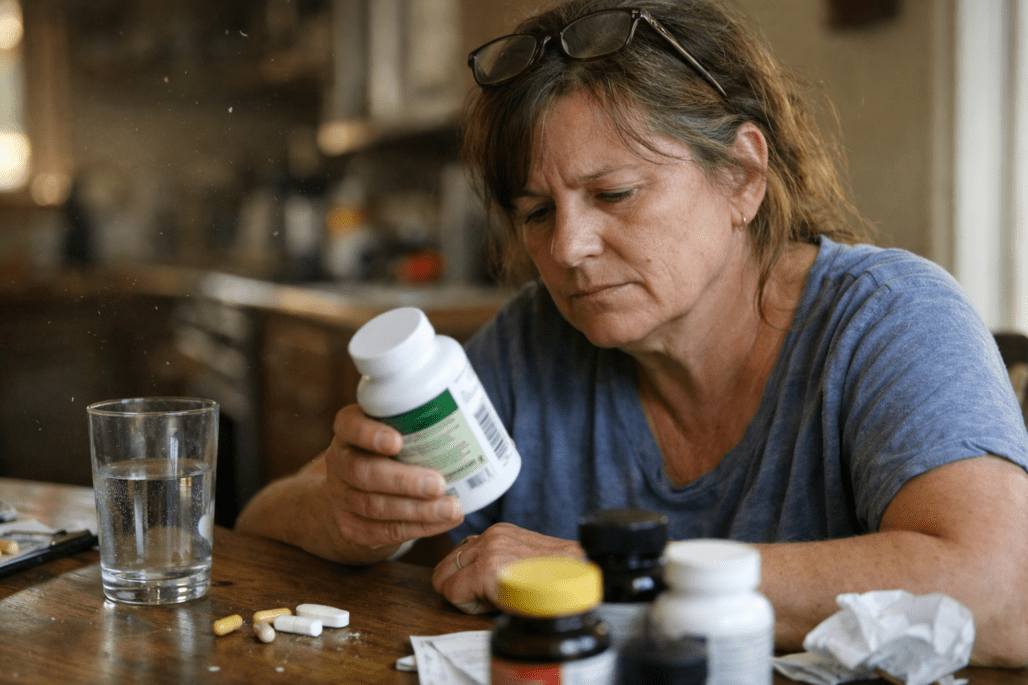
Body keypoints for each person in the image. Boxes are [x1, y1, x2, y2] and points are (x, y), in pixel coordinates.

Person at [236, 0, 1028, 666]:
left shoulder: (888, 318)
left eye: (614, 193)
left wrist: (613, 573)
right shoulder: (530, 340)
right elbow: (268, 516)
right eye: (536, 212)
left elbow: (1002, 590)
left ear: (742, 178)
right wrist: (345, 513)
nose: (566, 249)